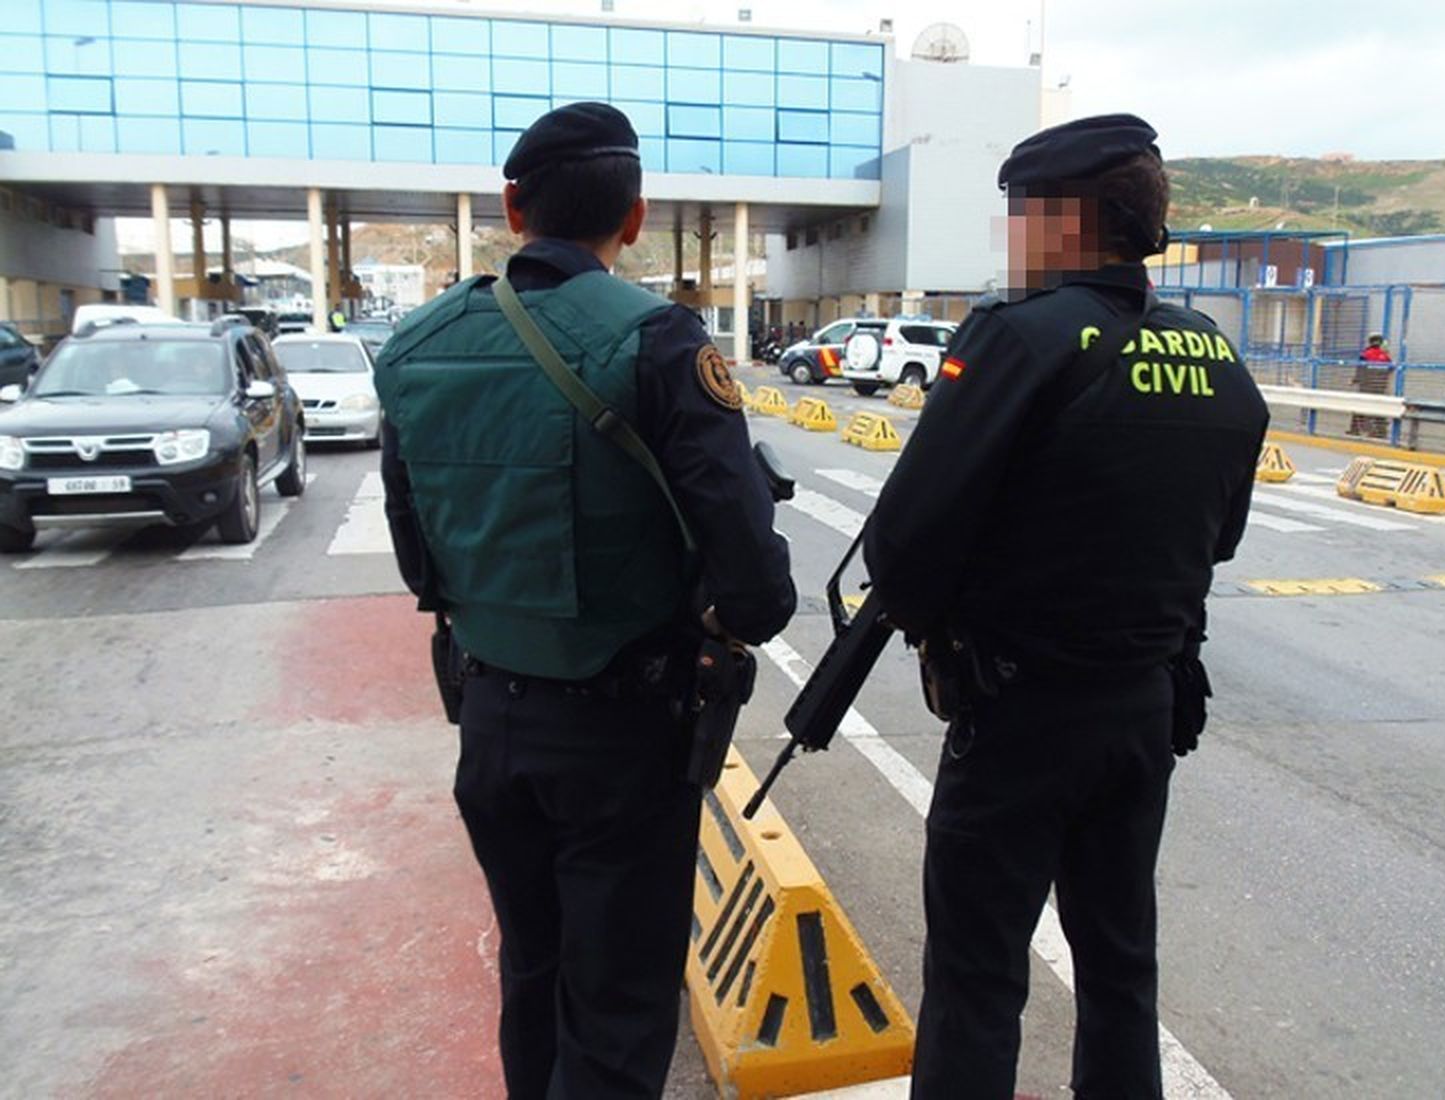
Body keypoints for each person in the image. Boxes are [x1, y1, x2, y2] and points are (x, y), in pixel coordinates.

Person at [373, 102, 795, 1098]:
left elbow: (415, 558)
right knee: (615, 1009)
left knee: (535, 976)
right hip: (624, 738)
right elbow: (756, 586)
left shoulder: (415, 346)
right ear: (636, 215)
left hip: (489, 722)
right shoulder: (657, 341)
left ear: (512, 207)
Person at [863, 114, 1268, 1099]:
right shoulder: (1210, 351)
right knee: (1121, 966)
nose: (1011, 238)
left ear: (1060, 219)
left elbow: (900, 552)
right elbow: (1219, 536)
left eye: (1018, 215)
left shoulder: (1017, 337)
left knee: (976, 976)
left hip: (1017, 714)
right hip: (1141, 709)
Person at [1352, 332, 1393, 438]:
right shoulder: (1385, 356)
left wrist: (1355, 380)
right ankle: (1381, 431)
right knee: (1379, 408)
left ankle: (1356, 430)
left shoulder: (1366, 354)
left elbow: (1360, 369)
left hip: (1366, 385)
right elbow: (1391, 369)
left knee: (1360, 407)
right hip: (1380, 386)